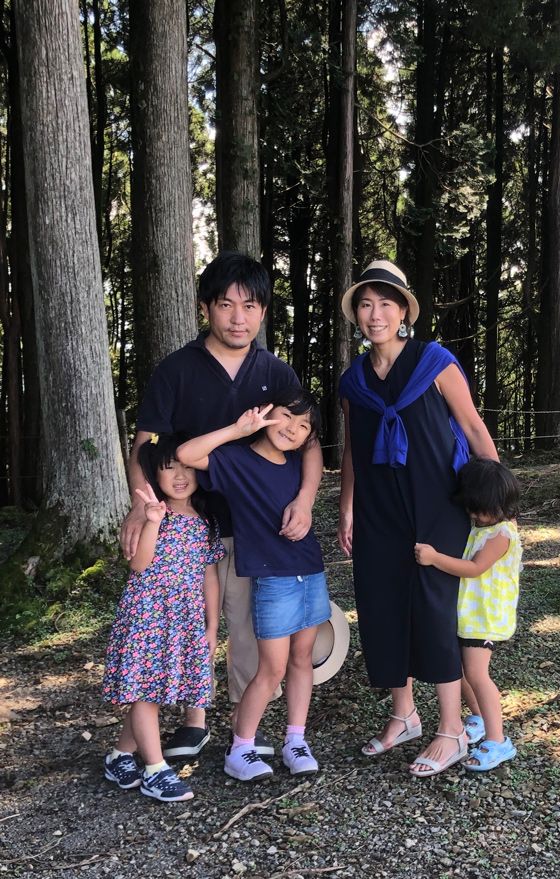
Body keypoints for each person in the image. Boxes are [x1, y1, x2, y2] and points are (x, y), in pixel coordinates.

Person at [120, 252, 322, 759]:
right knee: (189, 623)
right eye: (226, 304)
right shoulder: (177, 370)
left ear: (263, 312)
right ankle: (193, 720)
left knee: (250, 629)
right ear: (206, 307)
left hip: (258, 527)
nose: (238, 317)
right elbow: (144, 445)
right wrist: (141, 507)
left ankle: (241, 730)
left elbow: (310, 442)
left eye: (250, 306)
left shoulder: (276, 373)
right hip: (188, 525)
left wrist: (304, 499)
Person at [337, 259, 499, 778]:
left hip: (438, 505)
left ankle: (451, 729)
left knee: (434, 608)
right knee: (382, 605)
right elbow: (353, 449)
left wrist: (499, 508)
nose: (375, 314)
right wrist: (346, 507)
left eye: (386, 303)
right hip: (379, 510)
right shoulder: (353, 380)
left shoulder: (435, 362)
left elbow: (473, 428)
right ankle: (404, 714)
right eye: (366, 304)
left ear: (404, 310)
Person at [177, 388, 330, 782]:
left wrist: (305, 501)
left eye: (303, 426)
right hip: (272, 578)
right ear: (266, 413)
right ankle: (241, 747)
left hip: (309, 568)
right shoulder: (236, 460)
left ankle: (295, 740)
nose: (292, 429)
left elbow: (314, 462)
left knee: (302, 659)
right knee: (272, 669)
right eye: (286, 416)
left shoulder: (296, 463)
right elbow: (187, 455)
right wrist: (238, 429)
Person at [103, 434, 225, 801]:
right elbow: (139, 564)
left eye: (188, 467)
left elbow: (209, 575)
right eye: (169, 468)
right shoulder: (154, 514)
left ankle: (120, 755)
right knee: (145, 691)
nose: (180, 476)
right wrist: (153, 520)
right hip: (148, 614)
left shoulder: (205, 520)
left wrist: (212, 625)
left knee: (151, 692)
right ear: (155, 474)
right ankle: (155, 770)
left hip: (184, 617)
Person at [414, 457, 522, 771]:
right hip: (470, 614)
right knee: (459, 671)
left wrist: (434, 558)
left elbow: (475, 568)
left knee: (477, 674)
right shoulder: (484, 526)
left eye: (479, 509)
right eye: (471, 508)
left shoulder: (501, 534)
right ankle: (478, 718)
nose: (474, 515)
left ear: (500, 504)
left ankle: (498, 740)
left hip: (485, 617)